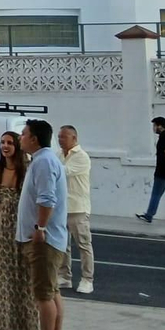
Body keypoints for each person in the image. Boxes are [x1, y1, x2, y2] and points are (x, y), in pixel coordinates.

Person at [18, 119, 69, 330]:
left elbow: (47, 199)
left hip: (44, 240)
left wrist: (40, 227)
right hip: (46, 237)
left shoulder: (45, 162)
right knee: (52, 290)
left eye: (23, 134)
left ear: (34, 138)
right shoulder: (40, 160)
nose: (21, 138)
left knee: (44, 295)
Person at [0, 131, 41, 330]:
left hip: (21, 228)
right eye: (3, 143)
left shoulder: (27, 170)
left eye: (10, 143)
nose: (5, 146)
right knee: (0, 280)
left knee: (26, 278)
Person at [58, 125, 94, 294]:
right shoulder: (58, 155)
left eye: (64, 137)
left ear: (74, 138)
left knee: (84, 246)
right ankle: (65, 276)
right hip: (61, 208)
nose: (60, 140)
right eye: (59, 137)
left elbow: (63, 172)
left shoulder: (82, 157)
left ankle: (87, 279)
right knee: (62, 245)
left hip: (78, 208)